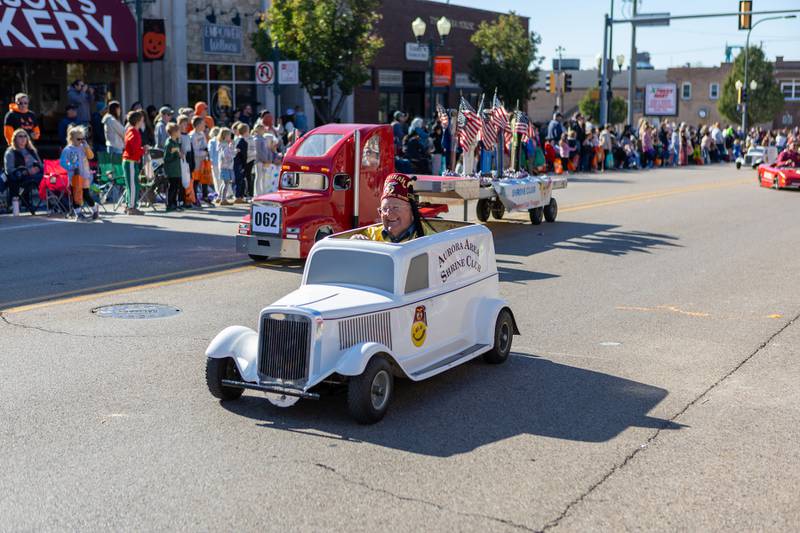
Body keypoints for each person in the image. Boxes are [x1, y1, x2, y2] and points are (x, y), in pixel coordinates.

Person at [351, 174, 434, 242]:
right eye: (384, 209)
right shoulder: (370, 235)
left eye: (395, 207)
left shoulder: (431, 240)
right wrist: (354, 242)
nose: (389, 213)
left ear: (412, 211)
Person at [61, 125, 98, 220]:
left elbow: (91, 156)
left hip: (85, 175)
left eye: (82, 138)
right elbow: (62, 162)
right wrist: (71, 167)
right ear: (71, 138)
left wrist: (86, 146)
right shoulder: (67, 149)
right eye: (78, 139)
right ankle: (78, 214)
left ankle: (94, 209)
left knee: (86, 194)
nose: (81, 141)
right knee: (76, 194)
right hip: (74, 176)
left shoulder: (83, 147)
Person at [3, 129, 42, 215]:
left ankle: (55, 202)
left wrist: (37, 169)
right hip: (20, 177)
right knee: (18, 179)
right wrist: (27, 171)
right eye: (20, 136)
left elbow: (41, 165)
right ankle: (21, 203)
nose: (23, 138)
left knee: (50, 178)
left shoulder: (31, 151)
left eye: (25, 136)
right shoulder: (10, 152)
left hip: (36, 176)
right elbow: (9, 170)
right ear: (15, 139)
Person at [122, 110, 146, 215]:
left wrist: (140, 150)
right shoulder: (133, 132)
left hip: (130, 161)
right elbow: (133, 149)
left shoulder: (130, 130)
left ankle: (129, 205)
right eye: (141, 121)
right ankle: (131, 207)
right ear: (137, 121)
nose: (142, 123)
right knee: (133, 185)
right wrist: (143, 150)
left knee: (132, 184)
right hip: (130, 161)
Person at [190, 116, 214, 207]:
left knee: (205, 179)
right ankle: (194, 198)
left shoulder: (202, 134)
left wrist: (206, 151)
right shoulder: (192, 135)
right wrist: (205, 153)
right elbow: (195, 152)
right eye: (203, 124)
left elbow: (204, 146)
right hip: (196, 162)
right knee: (195, 181)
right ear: (198, 125)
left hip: (203, 161)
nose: (205, 125)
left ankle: (205, 196)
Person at [162, 123, 184, 212]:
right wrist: (176, 156)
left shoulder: (176, 142)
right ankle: (169, 204)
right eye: (178, 130)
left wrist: (180, 155)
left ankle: (174, 204)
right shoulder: (169, 143)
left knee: (176, 187)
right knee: (172, 187)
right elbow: (166, 158)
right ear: (174, 132)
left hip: (177, 169)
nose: (180, 132)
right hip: (171, 170)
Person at [215, 128, 235, 206]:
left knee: (224, 183)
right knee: (226, 183)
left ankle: (219, 197)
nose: (230, 137)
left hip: (223, 166)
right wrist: (234, 152)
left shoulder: (222, 144)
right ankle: (223, 199)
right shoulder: (224, 145)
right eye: (229, 135)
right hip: (225, 166)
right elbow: (226, 155)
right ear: (225, 136)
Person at [233, 122, 250, 204]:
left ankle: (239, 196)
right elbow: (243, 155)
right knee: (240, 180)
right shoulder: (242, 141)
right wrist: (244, 164)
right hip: (240, 163)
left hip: (236, 163)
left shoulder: (236, 139)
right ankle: (238, 196)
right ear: (245, 131)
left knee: (239, 180)